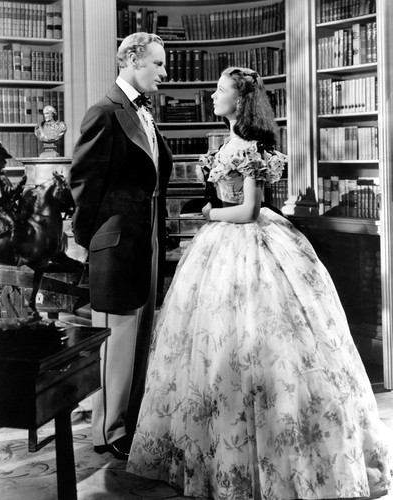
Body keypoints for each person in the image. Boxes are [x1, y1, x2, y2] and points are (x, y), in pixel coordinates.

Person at [126, 67, 392, 499]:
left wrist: (209, 214)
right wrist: (212, 209)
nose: (213, 96)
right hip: (219, 247)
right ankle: (214, 450)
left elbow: (250, 210)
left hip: (250, 243)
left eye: (220, 90)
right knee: (214, 347)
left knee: (262, 342)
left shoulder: (250, 148)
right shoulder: (223, 145)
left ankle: (277, 457)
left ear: (240, 101)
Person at [69, 32, 172, 460]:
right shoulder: (104, 112)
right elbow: (83, 184)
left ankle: (127, 423)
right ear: (131, 59)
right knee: (116, 339)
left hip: (146, 237)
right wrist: (91, 241)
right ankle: (108, 431)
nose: (164, 73)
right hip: (114, 242)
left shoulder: (143, 112)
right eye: (158, 63)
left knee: (140, 336)